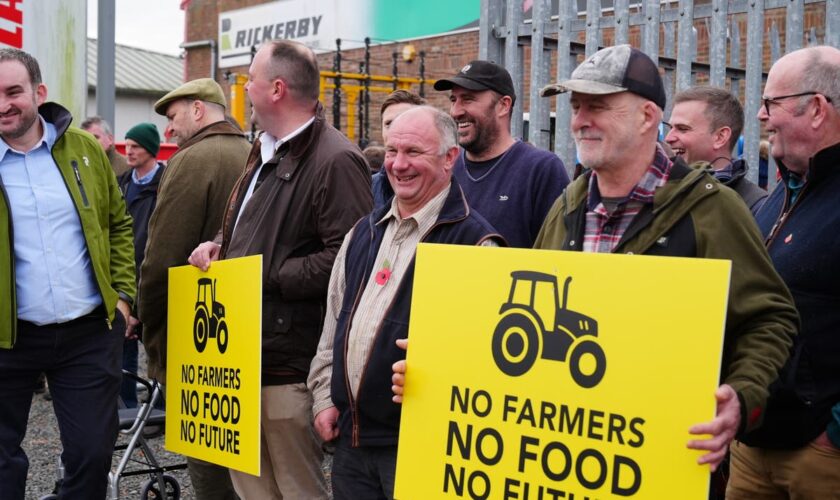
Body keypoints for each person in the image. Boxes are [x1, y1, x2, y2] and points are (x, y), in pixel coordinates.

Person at [395, 44, 798, 476]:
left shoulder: (710, 210)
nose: (580, 120)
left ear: (647, 117)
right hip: (565, 463)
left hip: (661, 458)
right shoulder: (568, 206)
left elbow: (770, 319)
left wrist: (741, 395)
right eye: (576, 106)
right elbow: (517, 309)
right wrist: (441, 362)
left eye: (599, 106)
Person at [188, 40, 372, 499]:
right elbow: (260, 234)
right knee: (253, 491)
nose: (244, 88)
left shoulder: (335, 159)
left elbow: (353, 260)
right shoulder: (264, 150)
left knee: (297, 491)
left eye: (249, 78)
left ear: (276, 88)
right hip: (240, 361)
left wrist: (265, 272)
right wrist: (219, 248)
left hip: (287, 369)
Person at [308, 106, 504, 499]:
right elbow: (332, 329)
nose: (398, 165)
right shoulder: (362, 233)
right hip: (352, 445)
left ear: (450, 158)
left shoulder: (477, 245)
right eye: (393, 151)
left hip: (422, 448)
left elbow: (490, 368)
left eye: (413, 152)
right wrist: (325, 397)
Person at [0, 47, 135, 499]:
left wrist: (122, 296)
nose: (3, 104)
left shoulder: (84, 151)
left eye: (13, 91)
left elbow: (117, 223)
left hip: (87, 333)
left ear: (39, 92)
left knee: (92, 455)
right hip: (8, 338)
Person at [727, 45, 840, 499]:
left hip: (819, 457)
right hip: (755, 444)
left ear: (816, 108)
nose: (759, 115)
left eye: (771, 102)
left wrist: (834, 433)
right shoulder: (781, 194)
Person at [138, 77, 249, 500]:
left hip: (195, 334)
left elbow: (161, 254)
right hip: (242, 330)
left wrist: (147, 322)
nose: (169, 129)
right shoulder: (253, 154)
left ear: (199, 110)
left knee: (208, 460)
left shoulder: (193, 159)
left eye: (173, 116)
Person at [434, 60, 570, 247]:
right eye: (453, 100)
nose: (455, 111)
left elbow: (557, 253)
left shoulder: (541, 169)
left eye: (468, 99)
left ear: (503, 106)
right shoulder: (445, 168)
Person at [117, 122, 164, 408]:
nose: (128, 151)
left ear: (150, 149)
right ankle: (128, 405)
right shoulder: (122, 182)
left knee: (158, 345)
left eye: (135, 146)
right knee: (124, 340)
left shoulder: (166, 182)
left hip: (154, 272)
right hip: (127, 272)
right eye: (127, 145)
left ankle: (160, 407)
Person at [664, 86, 767, 215]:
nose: (668, 138)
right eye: (670, 128)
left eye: (683, 128)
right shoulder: (659, 190)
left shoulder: (756, 206)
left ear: (720, 137)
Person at [372, 89, 426, 207]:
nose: (396, 129)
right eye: (389, 123)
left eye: (405, 121)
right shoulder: (368, 188)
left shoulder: (439, 184)